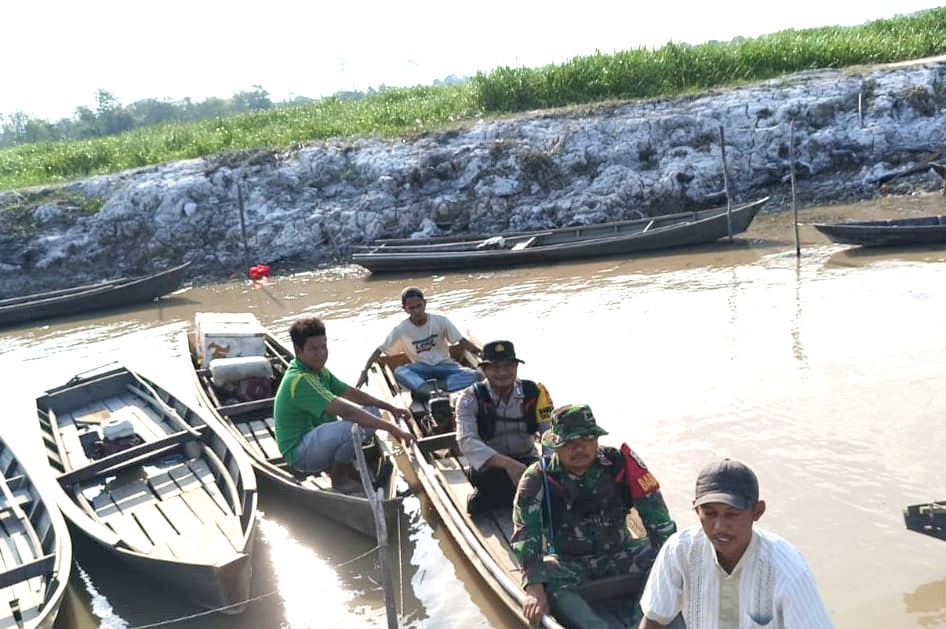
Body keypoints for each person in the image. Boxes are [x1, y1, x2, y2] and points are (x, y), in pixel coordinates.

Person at [512, 404, 677, 628]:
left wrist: (677, 564)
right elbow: (525, 534)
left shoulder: (619, 463)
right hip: (571, 564)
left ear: (596, 440)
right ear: (556, 446)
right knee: (545, 574)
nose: (579, 449)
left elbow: (658, 519)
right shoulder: (537, 477)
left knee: (667, 555)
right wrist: (534, 588)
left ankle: (643, 618)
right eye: (569, 443)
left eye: (586, 440)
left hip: (622, 553)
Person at [638, 458, 834, 629]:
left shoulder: (788, 570)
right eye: (710, 513)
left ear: (757, 511)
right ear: (697, 510)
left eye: (732, 514)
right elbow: (654, 621)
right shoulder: (679, 550)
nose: (719, 527)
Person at [274, 317, 415, 494]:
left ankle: (344, 468)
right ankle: (339, 478)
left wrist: (389, 408)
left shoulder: (319, 371)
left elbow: (352, 394)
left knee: (372, 411)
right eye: (313, 349)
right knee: (352, 428)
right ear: (298, 350)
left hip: (316, 440)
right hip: (300, 453)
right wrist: (393, 429)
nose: (321, 353)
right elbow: (347, 410)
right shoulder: (301, 379)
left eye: (323, 347)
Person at [455, 340, 554, 515]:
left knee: (548, 482)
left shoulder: (535, 392)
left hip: (528, 462)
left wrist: (549, 468)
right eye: (495, 367)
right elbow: (467, 441)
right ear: (484, 370)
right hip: (492, 468)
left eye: (508, 366)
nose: (502, 372)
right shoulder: (469, 398)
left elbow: (550, 435)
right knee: (485, 491)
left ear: (516, 367)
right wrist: (508, 464)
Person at [356, 286, 481, 399]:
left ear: (425, 303)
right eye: (411, 308)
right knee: (400, 371)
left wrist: (482, 354)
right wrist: (364, 372)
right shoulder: (401, 329)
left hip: (445, 365)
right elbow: (379, 351)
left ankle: (431, 390)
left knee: (474, 375)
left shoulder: (441, 321)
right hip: (421, 369)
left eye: (419, 306)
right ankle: (427, 389)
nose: (416, 311)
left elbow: (461, 341)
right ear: (404, 309)